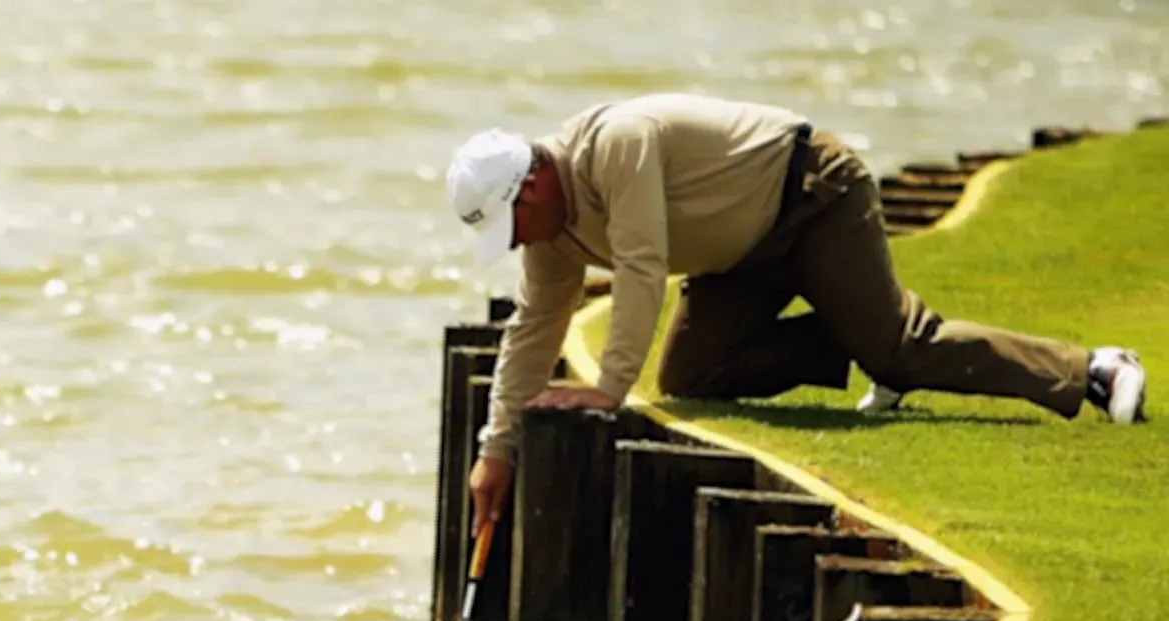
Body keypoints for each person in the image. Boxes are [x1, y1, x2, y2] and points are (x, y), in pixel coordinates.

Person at [445, 93, 1149, 527]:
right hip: (737, 258)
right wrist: (495, 451)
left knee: (900, 345)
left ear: (534, 179)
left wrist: (607, 389)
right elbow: (535, 326)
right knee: (692, 377)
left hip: (812, 195)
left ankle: (1091, 369)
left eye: (512, 219)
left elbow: (642, 267)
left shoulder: (613, 145)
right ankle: (866, 337)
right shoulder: (550, 232)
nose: (514, 239)